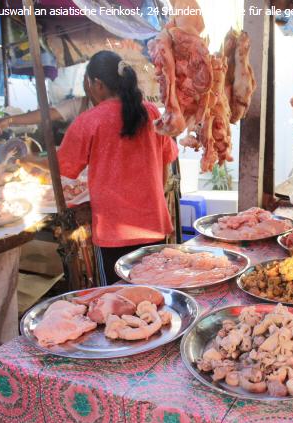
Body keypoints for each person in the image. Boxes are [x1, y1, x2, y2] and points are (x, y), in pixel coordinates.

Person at [21, 50, 178, 286]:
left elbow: (62, 166)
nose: (90, 90)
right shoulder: (150, 112)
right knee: (157, 294)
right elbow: (166, 160)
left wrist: (30, 159)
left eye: (90, 85)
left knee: (116, 300)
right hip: (153, 224)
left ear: (98, 84)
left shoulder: (90, 120)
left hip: (115, 233)